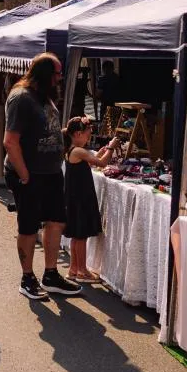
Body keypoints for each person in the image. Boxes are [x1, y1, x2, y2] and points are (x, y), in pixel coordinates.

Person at [3, 52, 82, 301]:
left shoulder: (43, 97)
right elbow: (10, 141)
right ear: (46, 74)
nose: (60, 79)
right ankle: (27, 278)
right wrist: (24, 174)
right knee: (28, 227)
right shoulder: (21, 98)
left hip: (49, 172)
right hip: (29, 174)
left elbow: (44, 130)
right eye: (58, 74)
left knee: (56, 221)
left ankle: (50, 274)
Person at [63, 117, 118, 284]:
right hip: (80, 198)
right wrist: (111, 147)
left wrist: (101, 151)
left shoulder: (73, 150)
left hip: (76, 197)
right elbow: (101, 163)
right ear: (78, 134)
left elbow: (91, 163)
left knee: (76, 236)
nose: (89, 138)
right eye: (88, 134)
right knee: (81, 236)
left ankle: (73, 269)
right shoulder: (77, 151)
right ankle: (82, 271)